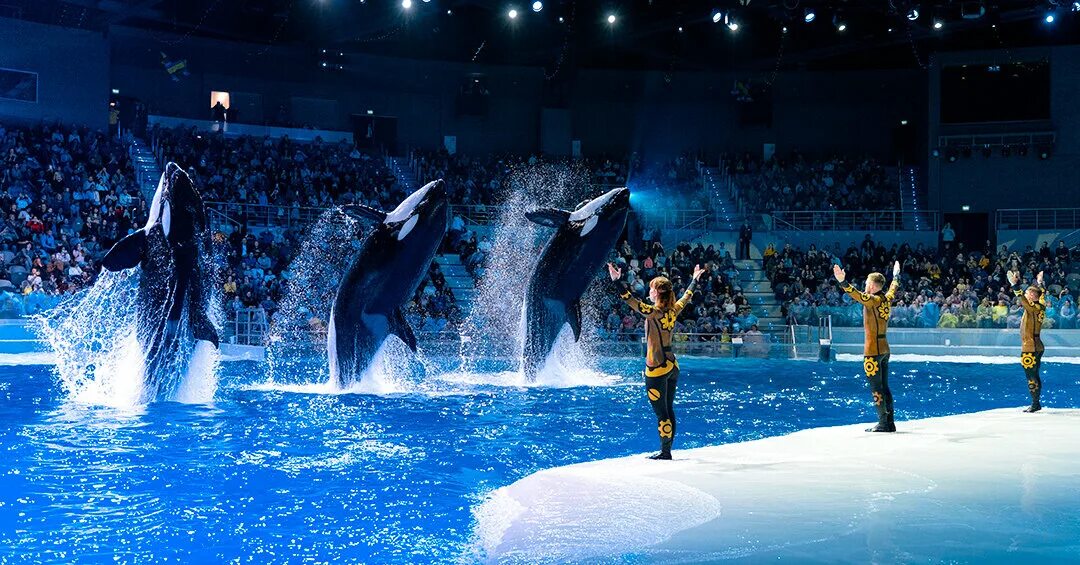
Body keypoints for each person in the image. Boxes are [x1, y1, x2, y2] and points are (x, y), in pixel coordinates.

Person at [608, 261, 706, 460]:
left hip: (656, 369)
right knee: (669, 409)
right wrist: (694, 280)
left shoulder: (654, 313)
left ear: (658, 292)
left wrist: (617, 281)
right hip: (672, 365)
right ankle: (667, 449)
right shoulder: (673, 310)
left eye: (652, 288)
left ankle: (665, 452)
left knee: (661, 413)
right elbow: (686, 297)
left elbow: (631, 301)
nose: (649, 291)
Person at [833, 260, 901, 432]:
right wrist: (896, 276)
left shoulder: (873, 300)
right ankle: (890, 422)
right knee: (885, 386)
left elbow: (856, 295)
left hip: (872, 351)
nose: (864, 285)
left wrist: (842, 281)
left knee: (876, 388)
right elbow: (894, 287)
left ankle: (883, 423)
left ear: (871, 285)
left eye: (866, 283)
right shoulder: (887, 298)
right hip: (885, 349)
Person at [1007, 269, 1047, 413]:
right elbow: (1042, 295)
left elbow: (1022, 301)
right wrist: (1040, 283)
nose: (1026, 295)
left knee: (1030, 376)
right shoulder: (1040, 305)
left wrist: (1015, 285)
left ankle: (1035, 403)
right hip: (1037, 344)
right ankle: (1036, 402)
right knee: (1035, 375)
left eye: (1028, 293)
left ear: (1032, 296)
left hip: (1030, 346)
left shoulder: (1032, 307)